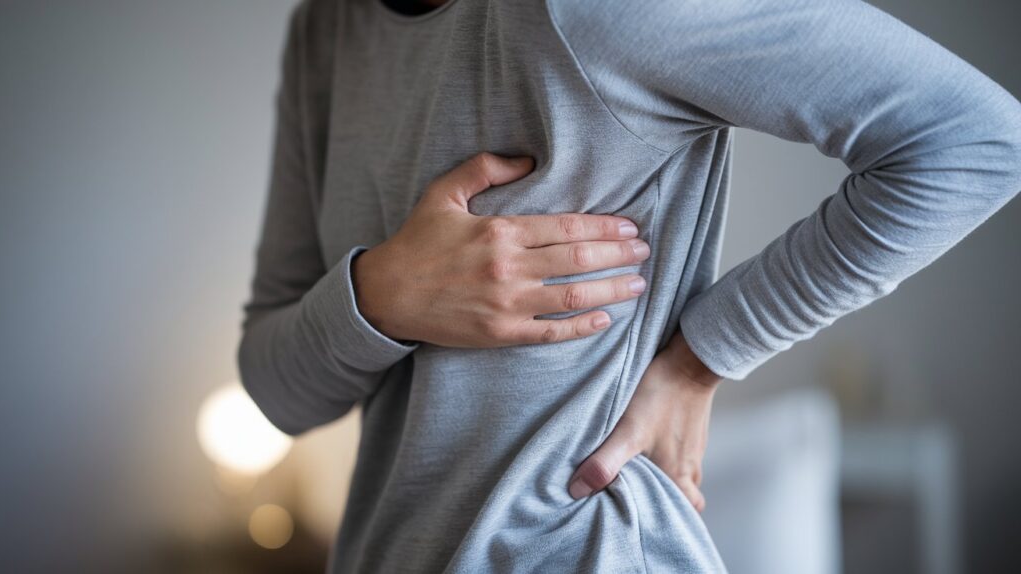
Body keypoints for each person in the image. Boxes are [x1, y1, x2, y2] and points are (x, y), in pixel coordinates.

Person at [237, 0, 1021, 571]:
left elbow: (977, 142)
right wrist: (383, 293)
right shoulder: (324, 32)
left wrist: (701, 357)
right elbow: (280, 394)